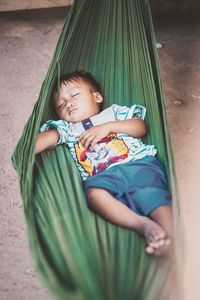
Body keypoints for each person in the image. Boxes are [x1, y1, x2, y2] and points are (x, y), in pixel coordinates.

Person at [36, 70, 173, 256]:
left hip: (137, 165)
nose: (68, 103)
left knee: (154, 195)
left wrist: (108, 127)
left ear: (97, 96)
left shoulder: (113, 113)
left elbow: (140, 127)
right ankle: (143, 225)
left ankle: (171, 238)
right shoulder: (68, 129)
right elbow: (43, 140)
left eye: (74, 94)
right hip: (103, 178)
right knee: (94, 195)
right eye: (60, 104)